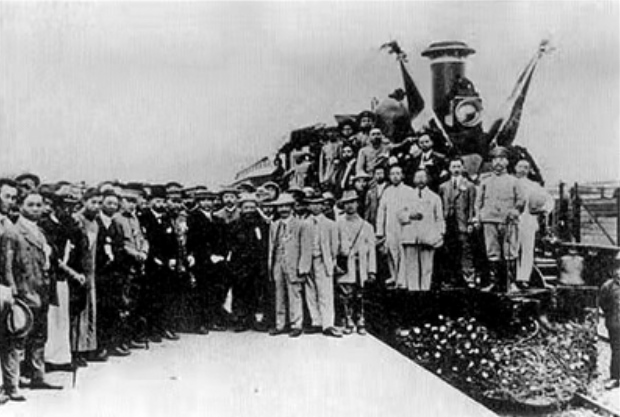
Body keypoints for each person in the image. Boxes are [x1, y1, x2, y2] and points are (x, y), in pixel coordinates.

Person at [0, 190, 63, 400]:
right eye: (31, 205)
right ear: (21, 207)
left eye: (39, 205)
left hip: (41, 289)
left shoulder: (41, 231)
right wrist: (13, 289)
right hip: (23, 292)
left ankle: (38, 376)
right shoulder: (12, 232)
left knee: (40, 336)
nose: (36, 209)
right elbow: (7, 266)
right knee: (17, 337)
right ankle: (12, 383)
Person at [473, 147, 526, 293]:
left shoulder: (514, 181)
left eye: (502, 159)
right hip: (489, 220)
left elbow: (521, 200)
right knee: (492, 251)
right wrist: (478, 217)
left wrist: (515, 211)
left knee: (510, 251)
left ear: (507, 162)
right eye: (495, 159)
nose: (498, 163)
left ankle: (511, 283)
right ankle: (494, 282)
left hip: (508, 221)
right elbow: (478, 202)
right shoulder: (485, 181)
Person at [139, 185, 180, 342]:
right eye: (157, 201)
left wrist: (173, 258)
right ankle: (153, 330)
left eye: (162, 201)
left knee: (167, 297)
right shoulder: (144, 218)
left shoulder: (167, 218)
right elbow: (146, 241)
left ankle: (165, 327)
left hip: (168, 264)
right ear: (150, 202)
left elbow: (173, 241)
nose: (160, 204)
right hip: (153, 264)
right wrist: (154, 258)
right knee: (153, 298)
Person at [267, 194, 312, 338]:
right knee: (279, 294)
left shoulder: (301, 225)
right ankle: (280, 324)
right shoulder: (274, 225)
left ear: (292, 207)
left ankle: (296, 324)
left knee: (295, 294)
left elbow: (306, 248)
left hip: (294, 264)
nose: (283, 209)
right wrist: (271, 265)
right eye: (280, 206)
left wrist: (303, 266)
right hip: (278, 263)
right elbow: (271, 246)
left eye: (286, 206)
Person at [94, 189, 130, 357]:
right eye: (109, 203)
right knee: (100, 309)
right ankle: (99, 346)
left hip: (114, 273)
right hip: (100, 272)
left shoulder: (116, 223)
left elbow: (120, 246)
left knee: (113, 309)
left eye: (115, 204)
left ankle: (113, 343)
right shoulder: (96, 222)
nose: (112, 206)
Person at [113, 185, 149, 347]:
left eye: (134, 201)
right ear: (121, 201)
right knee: (124, 301)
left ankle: (133, 336)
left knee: (134, 301)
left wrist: (144, 252)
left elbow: (142, 238)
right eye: (128, 201)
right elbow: (120, 244)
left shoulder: (135, 219)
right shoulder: (116, 219)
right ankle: (122, 339)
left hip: (138, 264)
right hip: (126, 264)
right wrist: (135, 254)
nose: (131, 205)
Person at [186, 189, 227, 334]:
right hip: (201, 261)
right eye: (203, 200)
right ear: (198, 202)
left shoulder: (217, 220)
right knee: (201, 292)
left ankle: (212, 320)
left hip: (216, 261)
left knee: (214, 291)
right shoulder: (193, 218)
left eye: (209, 200)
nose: (207, 203)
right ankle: (199, 323)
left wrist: (220, 255)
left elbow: (222, 240)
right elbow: (194, 241)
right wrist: (208, 256)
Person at [335, 190, 376, 335]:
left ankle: (361, 320)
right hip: (345, 264)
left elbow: (371, 250)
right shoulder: (338, 224)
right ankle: (348, 320)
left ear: (357, 204)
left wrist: (372, 270)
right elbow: (334, 246)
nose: (350, 206)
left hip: (361, 265)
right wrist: (335, 264)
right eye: (346, 203)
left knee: (360, 294)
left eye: (352, 202)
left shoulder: (366, 226)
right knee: (346, 294)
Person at [228, 194, 270, 332]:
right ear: (241, 209)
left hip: (257, 265)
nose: (249, 211)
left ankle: (252, 319)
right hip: (240, 265)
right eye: (246, 207)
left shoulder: (263, 225)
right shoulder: (234, 225)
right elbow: (230, 245)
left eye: (252, 207)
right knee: (240, 293)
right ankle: (240, 320)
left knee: (255, 293)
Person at [398, 170, 445, 291]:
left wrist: (440, 235)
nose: (420, 180)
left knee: (427, 268)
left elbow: (440, 218)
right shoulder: (407, 197)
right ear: (413, 179)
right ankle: (413, 293)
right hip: (410, 237)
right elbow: (399, 215)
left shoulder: (434, 197)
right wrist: (409, 216)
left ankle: (425, 292)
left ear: (428, 179)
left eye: (423, 177)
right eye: (417, 177)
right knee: (411, 268)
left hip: (428, 238)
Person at [303, 192, 342, 338]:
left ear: (323, 206)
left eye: (318, 204)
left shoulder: (330, 224)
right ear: (308, 206)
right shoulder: (304, 224)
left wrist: (331, 260)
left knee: (325, 292)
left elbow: (334, 245)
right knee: (310, 291)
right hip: (308, 260)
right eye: (312, 204)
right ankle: (316, 322)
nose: (315, 207)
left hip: (323, 259)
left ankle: (328, 324)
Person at [72, 188, 103, 361]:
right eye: (93, 202)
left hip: (91, 270)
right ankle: (77, 350)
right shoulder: (77, 220)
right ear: (84, 202)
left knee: (90, 309)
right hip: (80, 270)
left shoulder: (95, 223)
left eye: (99, 203)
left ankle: (89, 347)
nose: (96, 206)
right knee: (79, 312)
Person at [513, 158, 554, 287]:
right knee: (512, 249)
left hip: (528, 220)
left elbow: (549, 200)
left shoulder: (534, 186)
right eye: (520, 167)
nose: (522, 170)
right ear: (515, 168)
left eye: (526, 167)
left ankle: (523, 278)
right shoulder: (510, 182)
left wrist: (544, 210)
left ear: (530, 170)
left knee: (527, 250)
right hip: (513, 221)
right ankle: (511, 277)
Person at [438, 158, 476, 287]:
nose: (456, 169)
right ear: (449, 169)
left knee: (465, 248)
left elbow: (471, 206)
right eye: (453, 166)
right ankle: (451, 278)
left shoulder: (469, 185)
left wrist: (470, 222)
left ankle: (468, 276)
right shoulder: (443, 186)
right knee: (449, 249)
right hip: (448, 221)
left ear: (463, 168)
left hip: (462, 221)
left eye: (458, 166)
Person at [376, 165, 416, 286]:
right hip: (390, 227)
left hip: (404, 227)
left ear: (402, 175)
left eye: (398, 174)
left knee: (403, 252)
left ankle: (402, 279)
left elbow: (414, 210)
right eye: (393, 174)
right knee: (391, 251)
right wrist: (380, 231)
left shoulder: (409, 191)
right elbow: (381, 211)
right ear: (389, 176)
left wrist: (408, 219)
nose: (395, 176)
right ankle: (394, 275)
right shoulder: (387, 192)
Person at [599, 253, 620, 390]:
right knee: (617, 350)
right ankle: (615, 377)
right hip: (615, 323)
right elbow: (602, 303)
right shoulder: (608, 286)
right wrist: (610, 313)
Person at [364, 165, 388, 229]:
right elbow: (367, 208)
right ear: (374, 175)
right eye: (377, 174)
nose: (379, 176)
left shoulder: (389, 188)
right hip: (374, 219)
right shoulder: (371, 190)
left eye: (381, 173)